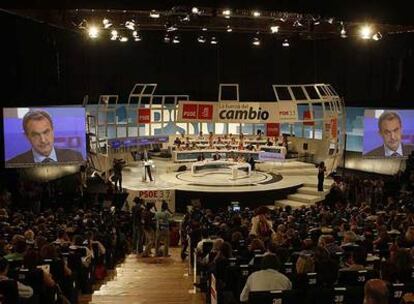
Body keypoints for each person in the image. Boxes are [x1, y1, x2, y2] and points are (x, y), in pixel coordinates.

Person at [7, 110, 84, 164]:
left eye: (46, 132)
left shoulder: (75, 157)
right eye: (36, 135)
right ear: (27, 136)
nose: (43, 140)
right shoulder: (13, 163)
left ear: (53, 130)